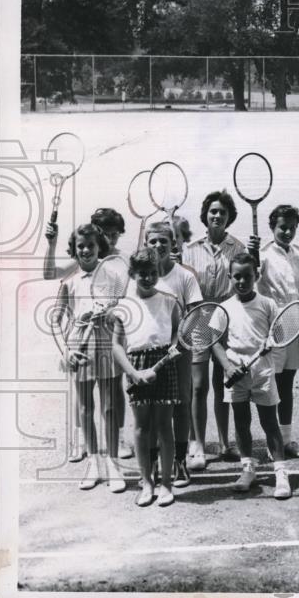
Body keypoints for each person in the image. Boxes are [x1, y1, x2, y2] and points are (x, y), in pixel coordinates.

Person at [45, 206, 134, 460]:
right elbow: (51, 274)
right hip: (82, 337)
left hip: (112, 333)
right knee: (83, 392)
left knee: (114, 390)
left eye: (115, 233)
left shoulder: (122, 260)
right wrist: (51, 243)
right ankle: (82, 440)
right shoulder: (82, 257)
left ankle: (118, 438)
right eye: (105, 232)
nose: (110, 237)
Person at [211, 252, 292, 499]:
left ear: (256, 276)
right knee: (241, 421)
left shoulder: (267, 304)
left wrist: (271, 343)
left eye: (247, 276)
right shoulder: (224, 308)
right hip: (235, 372)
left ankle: (280, 471)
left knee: (269, 422)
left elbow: (279, 333)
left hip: (262, 371)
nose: (242, 281)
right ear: (229, 278)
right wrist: (226, 365)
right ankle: (248, 468)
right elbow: (215, 342)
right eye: (237, 277)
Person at [53, 224, 126, 492]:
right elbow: (56, 320)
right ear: (74, 249)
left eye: (90, 246)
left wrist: (111, 313)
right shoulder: (69, 281)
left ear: (99, 248)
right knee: (85, 408)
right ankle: (93, 462)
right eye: (80, 246)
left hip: (105, 343)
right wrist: (66, 350)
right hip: (79, 346)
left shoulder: (111, 274)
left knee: (109, 408)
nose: (85, 250)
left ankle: (113, 465)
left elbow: (123, 307)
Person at [180, 190, 246, 468]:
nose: (217, 216)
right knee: (198, 386)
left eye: (222, 212)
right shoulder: (189, 249)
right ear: (205, 216)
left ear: (230, 217)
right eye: (213, 211)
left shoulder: (239, 248)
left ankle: (224, 443)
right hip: (197, 317)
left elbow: (246, 280)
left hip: (225, 318)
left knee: (223, 385)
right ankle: (196, 445)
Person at [110, 249, 181, 507]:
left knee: (164, 426)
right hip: (136, 365)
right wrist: (133, 373)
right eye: (143, 274)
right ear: (133, 274)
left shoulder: (170, 300)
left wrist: (169, 354)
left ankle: (166, 484)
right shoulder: (125, 306)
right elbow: (117, 346)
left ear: (158, 273)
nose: (148, 278)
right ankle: (147, 482)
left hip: (164, 365)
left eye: (153, 273)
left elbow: (177, 335)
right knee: (141, 427)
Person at [143, 221, 203, 487]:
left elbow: (197, 314)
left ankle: (180, 462)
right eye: (153, 241)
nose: (158, 246)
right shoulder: (141, 276)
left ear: (174, 244)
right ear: (146, 244)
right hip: (149, 350)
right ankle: (155, 462)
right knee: (154, 409)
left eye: (163, 241)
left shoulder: (185, 276)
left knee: (180, 405)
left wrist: (179, 344)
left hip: (180, 351)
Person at [257, 205, 299, 460]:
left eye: (292, 227)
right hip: (272, 326)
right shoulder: (263, 255)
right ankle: (273, 441)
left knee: (287, 385)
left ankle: (287, 439)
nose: (287, 232)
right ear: (272, 227)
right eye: (282, 227)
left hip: (295, 323)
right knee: (271, 388)